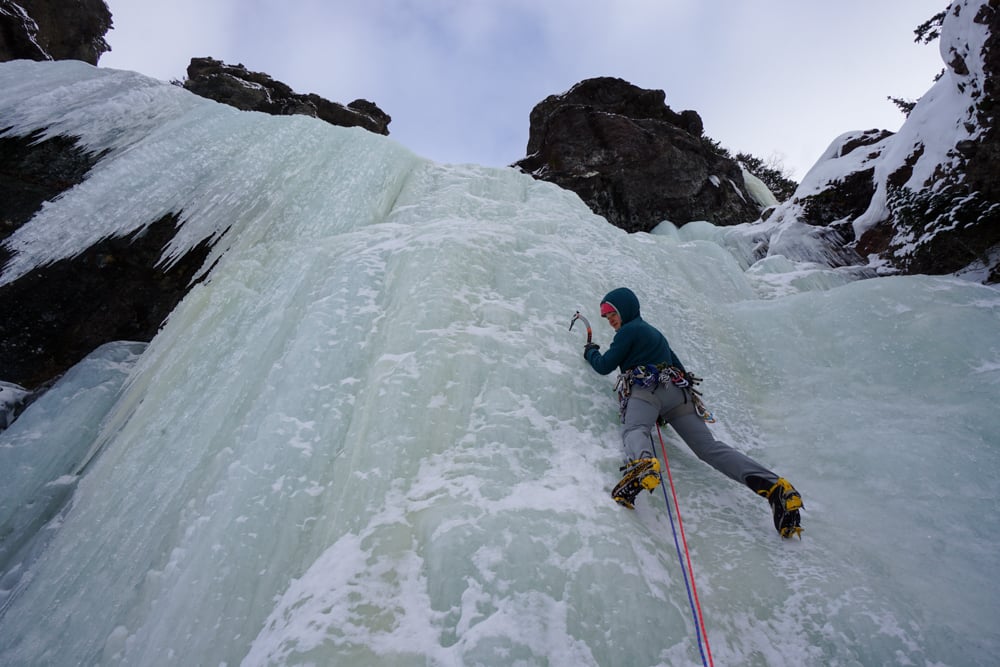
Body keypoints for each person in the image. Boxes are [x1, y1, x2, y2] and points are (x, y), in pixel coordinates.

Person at [583, 287, 803, 538]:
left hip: (646, 389)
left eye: (612, 313)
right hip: (678, 395)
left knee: (635, 429)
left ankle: (642, 464)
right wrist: (663, 410)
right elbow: (681, 370)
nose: (610, 319)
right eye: (606, 316)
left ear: (626, 309)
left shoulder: (628, 331)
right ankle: (776, 488)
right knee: (709, 449)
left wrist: (591, 351)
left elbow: (604, 366)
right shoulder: (656, 334)